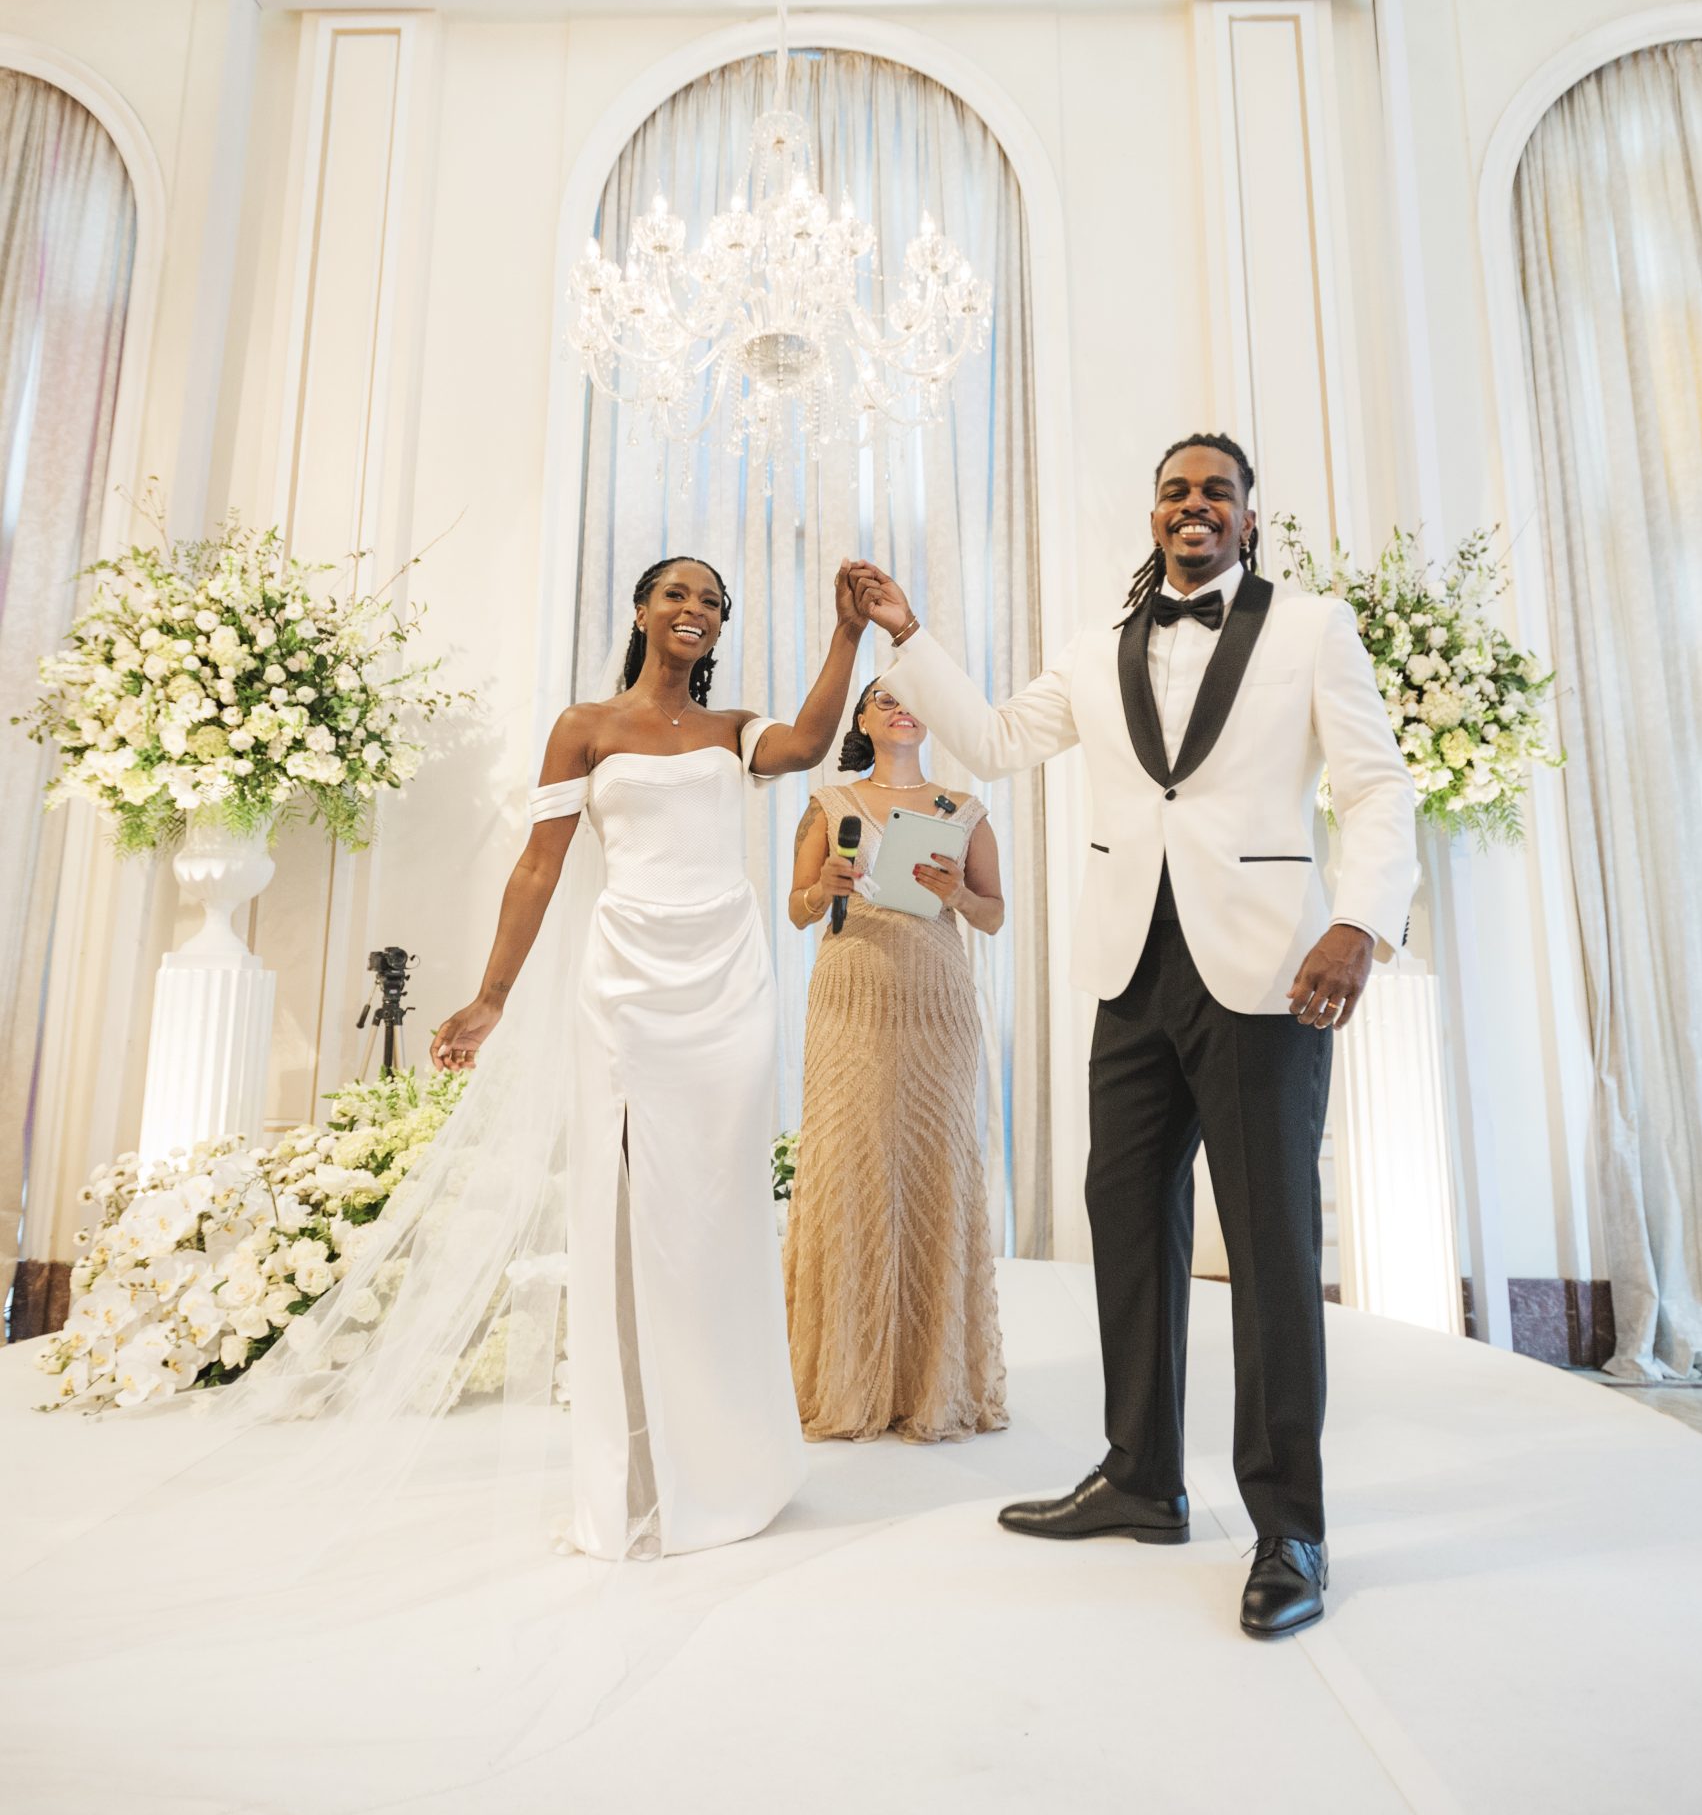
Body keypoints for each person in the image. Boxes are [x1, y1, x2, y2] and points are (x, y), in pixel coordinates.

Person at [850, 433, 1417, 1638]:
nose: (1192, 506)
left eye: (1216, 490)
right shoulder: (1098, 648)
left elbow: (1375, 789)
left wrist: (1358, 923)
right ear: (1151, 514)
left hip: (1266, 973)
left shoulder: (1310, 631)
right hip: (1129, 971)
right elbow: (996, 741)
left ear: (1249, 519)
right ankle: (1140, 1476)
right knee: (1127, 1221)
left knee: (1265, 1248)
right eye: (1173, 491)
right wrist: (907, 633)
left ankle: (1288, 1528)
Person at [427, 554, 869, 1561]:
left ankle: (732, 1463)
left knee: (715, 1212)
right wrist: (491, 996)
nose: (694, 610)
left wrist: (848, 633)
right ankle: (634, 1463)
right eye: (676, 593)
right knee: (626, 1218)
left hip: (727, 984)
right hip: (625, 986)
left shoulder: (730, 731)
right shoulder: (584, 729)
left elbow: (804, 745)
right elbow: (539, 867)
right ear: (639, 610)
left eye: (711, 603)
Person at [783, 679, 1009, 1445]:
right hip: (849, 993)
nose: (900, 708)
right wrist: (823, 886)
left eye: (912, 698)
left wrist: (956, 894)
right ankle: (843, 1374)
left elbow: (993, 913)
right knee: (848, 1161)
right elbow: (795, 908)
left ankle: (931, 1379)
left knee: (934, 1160)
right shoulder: (830, 801)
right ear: (863, 719)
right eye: (883, 700)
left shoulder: (963, 806)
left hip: (936, 1000)